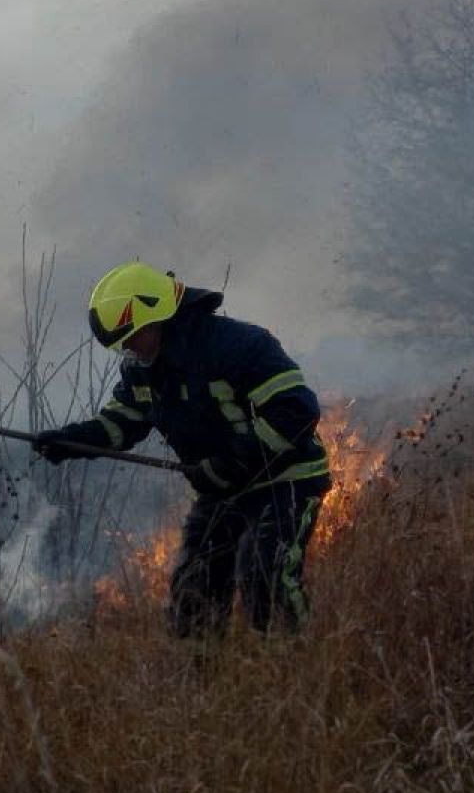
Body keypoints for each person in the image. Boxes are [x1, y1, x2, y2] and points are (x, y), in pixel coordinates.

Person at [34, 261, 331, 635]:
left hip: (286, 480)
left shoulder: (239, 346)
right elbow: (121, 423)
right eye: (122, 344)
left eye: (133, 336)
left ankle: (295, 658)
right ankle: (199, 670)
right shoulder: (144, 369)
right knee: (194, 589)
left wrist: (235, 462)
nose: (129, 348)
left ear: (158, 316)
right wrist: (70, 441)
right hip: (222, 488)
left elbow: (296, 412)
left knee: (264, 575)